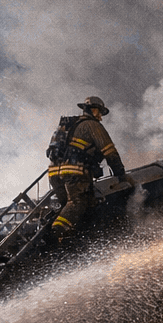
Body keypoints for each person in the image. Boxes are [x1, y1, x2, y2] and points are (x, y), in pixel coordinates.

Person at [46, 95, 127, 243]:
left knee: (71, 209)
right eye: (100, 112)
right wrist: (120, 174)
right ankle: (54, 234)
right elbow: (110, 152)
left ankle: (68, 239)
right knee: (78, 203)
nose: (101, 117)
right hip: (74, 172)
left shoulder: (67, 125)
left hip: (54, 173)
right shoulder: (93, 125)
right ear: (94, 110)